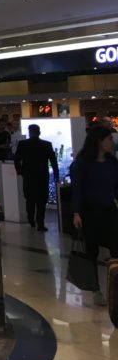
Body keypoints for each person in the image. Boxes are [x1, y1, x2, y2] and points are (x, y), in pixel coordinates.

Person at [70, 125, 118, 306]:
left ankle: (114, 288)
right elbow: (77, 189)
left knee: (115, 247)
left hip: (109, 211)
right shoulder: (82, 163)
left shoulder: (112, 163)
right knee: (91, 252)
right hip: (89, 213)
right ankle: (95, 289)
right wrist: (76, 212)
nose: (112, 142)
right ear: (99, 141)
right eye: (109, 139)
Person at [13, 124, 60, 231]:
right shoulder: (47, 144)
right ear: (39, 132)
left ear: (30, 132)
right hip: (42, 176)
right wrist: (56, 175)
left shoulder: (23, 144)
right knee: (41, 201)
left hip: (28, 176)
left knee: (29, 199)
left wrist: (20, 171)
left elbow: (16, 159)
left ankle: (31, 219)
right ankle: (40, 223)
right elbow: (53, 161)